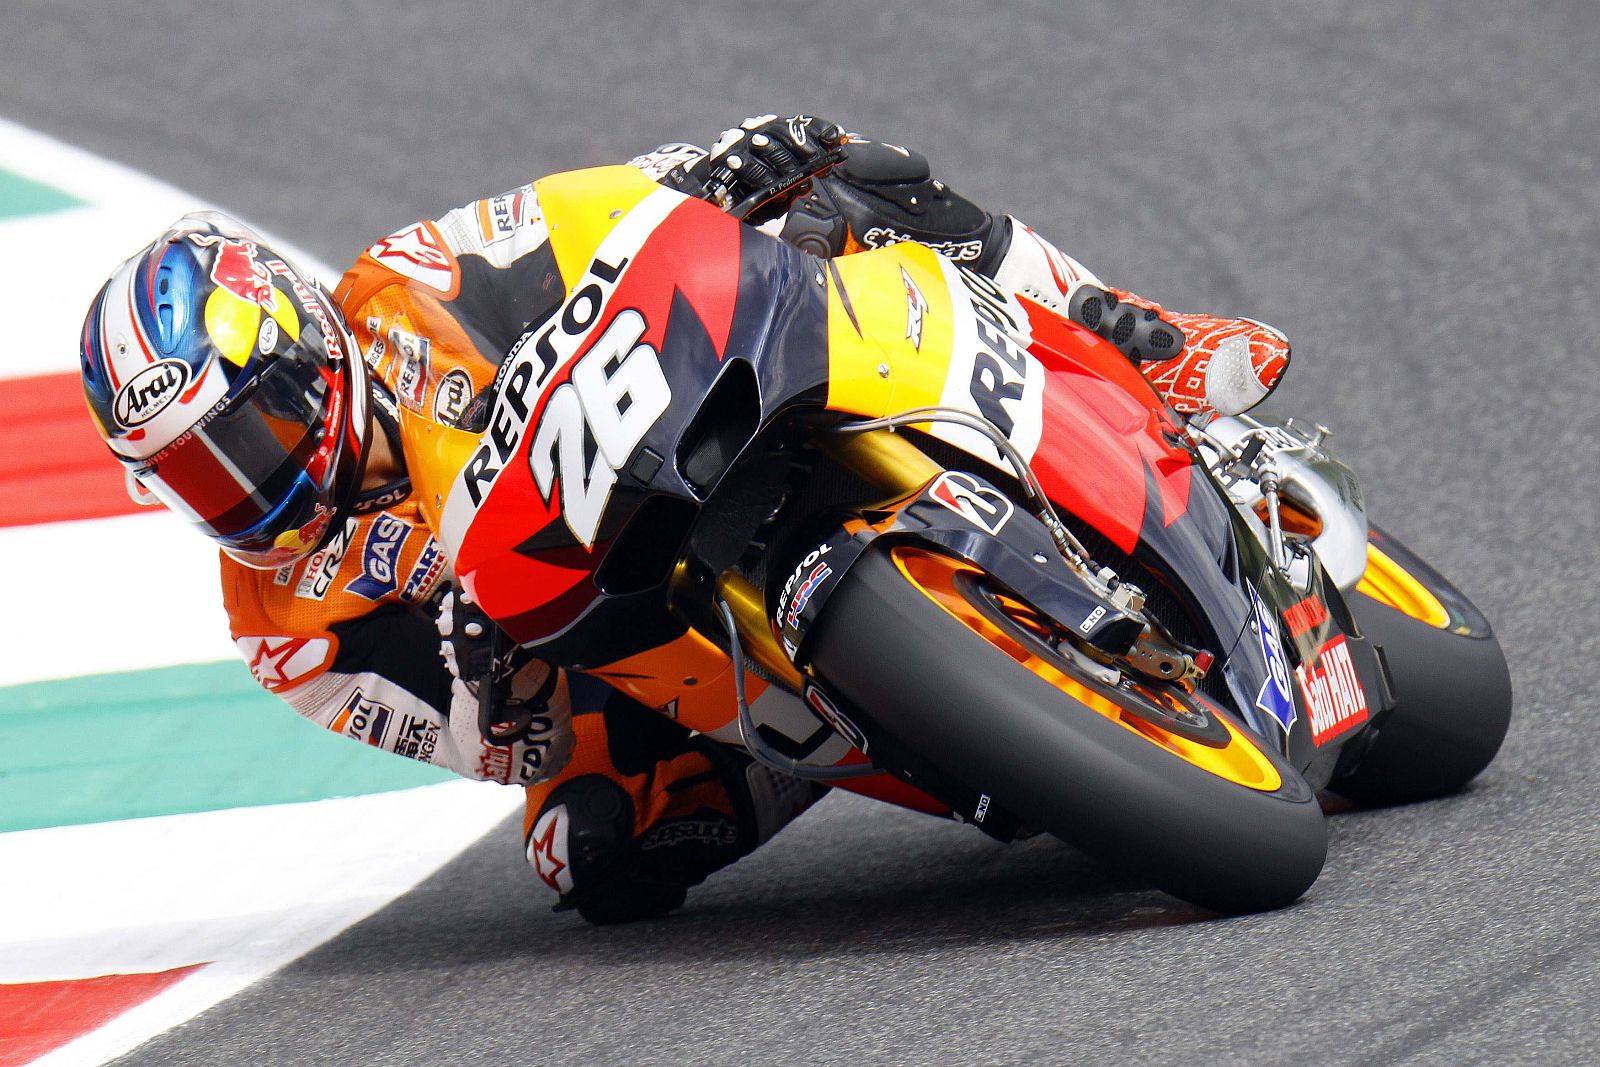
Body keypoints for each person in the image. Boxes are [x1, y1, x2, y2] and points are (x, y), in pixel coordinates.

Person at [79, 115, 1289, 924]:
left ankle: (1141, 336)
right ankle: (921, 723)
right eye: (195, 478)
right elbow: (505, 749)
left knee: (837, 168)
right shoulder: (290, 632)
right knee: (588, 851)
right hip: (617, 636)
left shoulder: (414, 281)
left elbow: (598, 211)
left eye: (246, 433)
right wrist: (492, 686)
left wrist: (710, 173)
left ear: (304, 349)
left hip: (689, 406)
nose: (244, 486)